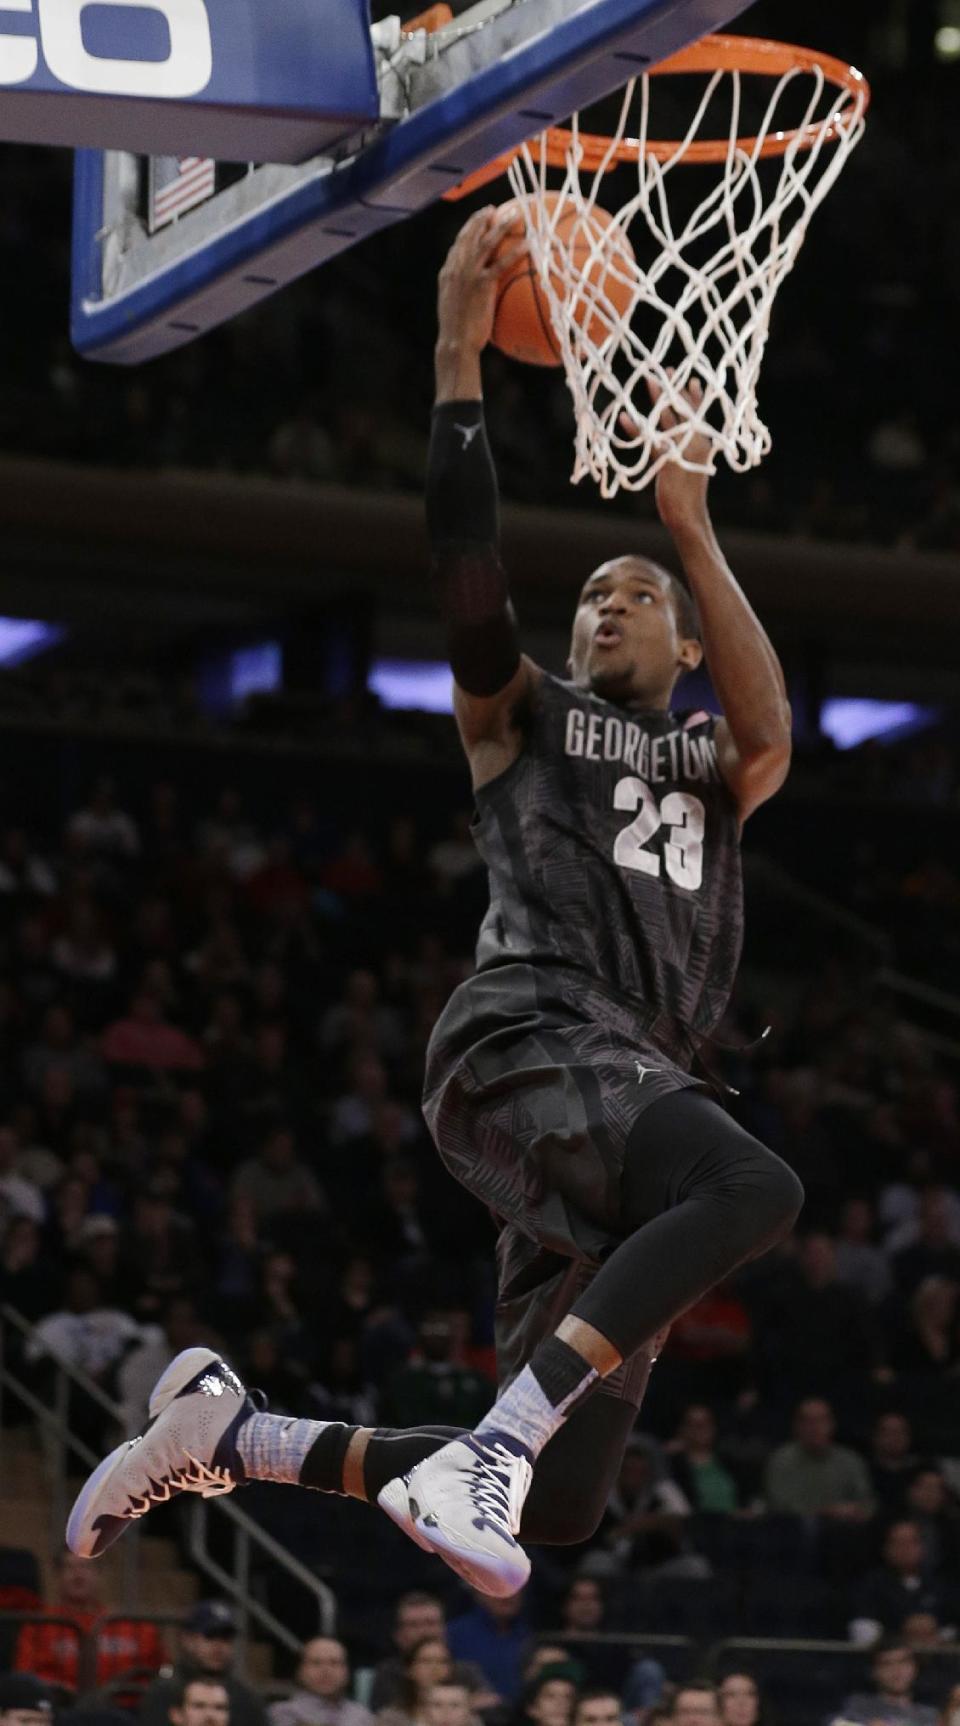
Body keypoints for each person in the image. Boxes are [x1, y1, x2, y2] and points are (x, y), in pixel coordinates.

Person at [67, 206, 803, 1601]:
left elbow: (773, 736)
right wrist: (459, 362)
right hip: (533, 1035)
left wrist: (689, 526)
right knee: (754, 1181)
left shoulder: (715, 764)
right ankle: (491, 1445)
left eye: (634, 596)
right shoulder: (524, 720)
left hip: (625, 1096)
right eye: (590, 593)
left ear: (686, 640)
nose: (603, 606)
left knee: (568, 1501)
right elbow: (470, 583)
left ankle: (236, 1432)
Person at [14, 1549, 165, 1694]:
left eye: (86, 1567)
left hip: (126, 1710)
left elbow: (161, 1674)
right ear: (57, 1576)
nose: (78, 1574)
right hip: (59, 1709)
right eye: (69, 1567)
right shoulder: (38, 1625)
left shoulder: (136, 1627)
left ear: (100, 1574)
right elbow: (24, 1677)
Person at [139, 1603, 266, 1726]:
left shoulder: (245, 1697)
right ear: (188, 1639)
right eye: (210, 1636)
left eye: (226, 1638)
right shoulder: (164, 1692)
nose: (219, 1646)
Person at [763, 1397, 874, 1519]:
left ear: (832, 1424)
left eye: (821, 1420)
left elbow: (867, 1502)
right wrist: (825, 1511)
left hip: (843, 1530)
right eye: (808, 1421)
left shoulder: (850, 1461)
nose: (815, 1427)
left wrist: (856, 1509)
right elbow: (779, 1506)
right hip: (794, 1530)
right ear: (796, 1426)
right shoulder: (781, 1460)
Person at [268, 1639, 372, 1726]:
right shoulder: (281, 1713)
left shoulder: (362, 1716)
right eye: (316, 1663)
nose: (326, 1670)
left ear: (347, 1671)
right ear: (300, 1671)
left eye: (334, 1663)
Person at [839, 1640, 938, 1726]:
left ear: (915, 1668)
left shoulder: (931, 1715)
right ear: (873, 1672)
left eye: (903, 1662)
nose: (897, 1670)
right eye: (887, 1664)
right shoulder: (857, 1707)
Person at [375, 1641, 453, 1726]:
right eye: (426, 1661)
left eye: (442, 1661)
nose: (435, 1667)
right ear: (409, 1669)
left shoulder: (466, 1715)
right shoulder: (391, 1718)